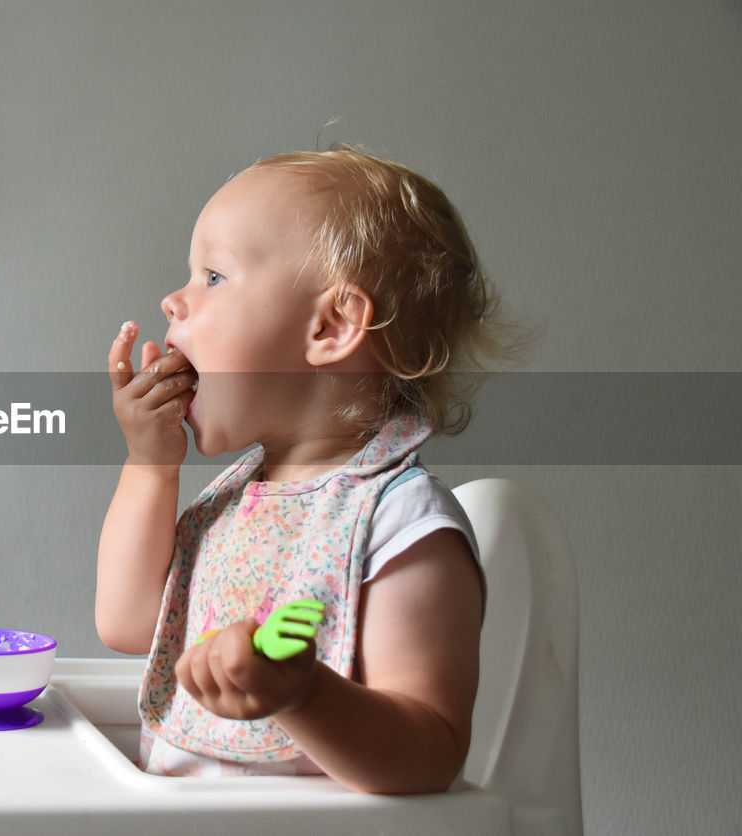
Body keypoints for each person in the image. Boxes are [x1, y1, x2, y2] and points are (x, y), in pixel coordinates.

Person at [96, 145, 518, 793]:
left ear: (331, 326)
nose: (173, 301)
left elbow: (433, 750)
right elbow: (126, 625)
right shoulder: (235, 503)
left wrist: (304, 695)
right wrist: (150, 464)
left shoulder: (400, 524)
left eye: (212, 277)